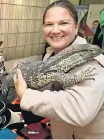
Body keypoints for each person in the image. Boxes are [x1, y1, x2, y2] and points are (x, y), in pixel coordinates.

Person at [13, 0, 104, 139]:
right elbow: (49, 86)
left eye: (63, 23)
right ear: (43, 28)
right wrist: (25, 70)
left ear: (76, 27)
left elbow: (79, 111)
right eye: (49, 24)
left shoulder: (92, 62)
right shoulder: (52, 53)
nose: (55, 30)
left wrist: (25, 95)